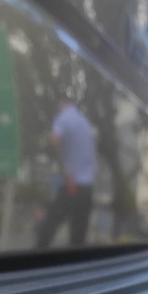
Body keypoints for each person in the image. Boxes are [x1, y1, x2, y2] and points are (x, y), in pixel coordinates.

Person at [35, 100, 97, 248]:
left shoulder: (64, 118)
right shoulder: (85, 122)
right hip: (87, 188)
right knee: (78, 237)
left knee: (47, 229)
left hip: (71, 184)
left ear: (61, 104)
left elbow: (55, 140)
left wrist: (64, 171)